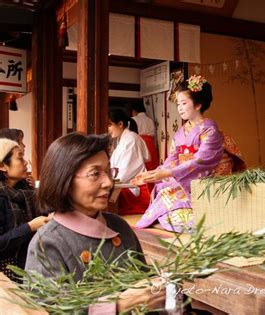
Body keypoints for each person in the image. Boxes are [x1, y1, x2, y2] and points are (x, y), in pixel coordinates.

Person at [24, 133, 164, 313]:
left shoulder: (118, 226)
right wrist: (119, 305)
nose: (107, 182)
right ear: (64, 179)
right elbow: (51, 308)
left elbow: (145, 284)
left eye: (108, 172)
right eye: (95, 173)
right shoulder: (46, 244)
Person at [132, 75, 225, 232]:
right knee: (163, 186)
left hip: (202, 177)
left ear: (198, 104)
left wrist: (169, 173)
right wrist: (154, 173)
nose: (180, 108)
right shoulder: (181, 132)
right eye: (178, 104)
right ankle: (167, 219)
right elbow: (172, 159)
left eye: (183, 103)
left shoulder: (210, 129)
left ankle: (177, 220)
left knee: (171, 190)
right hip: (182, 174)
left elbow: (201, 160)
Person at [0, 139, 49, 281]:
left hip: (35, 263)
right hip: (8, 272)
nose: (26, 162)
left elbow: (44, 212)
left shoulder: (26, 189)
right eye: (20, 157)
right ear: (3, 166)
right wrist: (29, 227)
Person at [108, 109, 151, 215]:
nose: (107, 129)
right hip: (125, 184)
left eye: (109, 125)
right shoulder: (123, 139)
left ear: (120, 124)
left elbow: (127, 170)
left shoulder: (131, 139)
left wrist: (110, 181)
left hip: (131, 188)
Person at [131, 102, 159, 171]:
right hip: (150, 143)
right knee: (151, 165)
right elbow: (153, 133)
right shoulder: (150, 120)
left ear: (134, 111)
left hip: (139, 142)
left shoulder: (133, 119)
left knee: (141, 164)